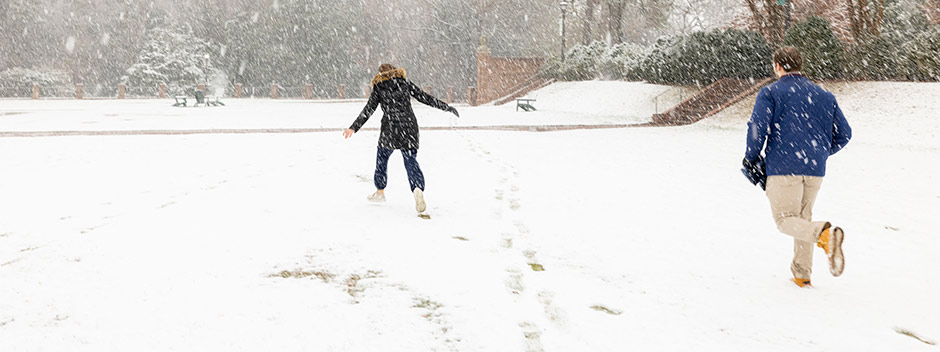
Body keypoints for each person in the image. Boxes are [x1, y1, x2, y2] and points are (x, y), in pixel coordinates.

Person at [743, 46, 852, 288]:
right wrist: (822, 152)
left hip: (783, 167)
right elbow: (845, 134)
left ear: (778, 67)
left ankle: (825, 236)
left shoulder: (771, 92)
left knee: (785, 220)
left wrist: (751, 157)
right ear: (800, 65)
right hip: (814, 169)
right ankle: (802, 275)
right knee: (803, 218)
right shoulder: (824, 95)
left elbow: (757, 128)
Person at [343, 64, 459, 213]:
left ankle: (380, 192)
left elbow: (369, 109)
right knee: (410, 160)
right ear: (395, 70)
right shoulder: (404, 83)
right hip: (409, 127)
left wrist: (353, 127)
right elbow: (424, 97)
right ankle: (417, 188)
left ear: (380, 74)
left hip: (390, 129)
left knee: (382, 158)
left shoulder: (379, 86)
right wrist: (446, 107)